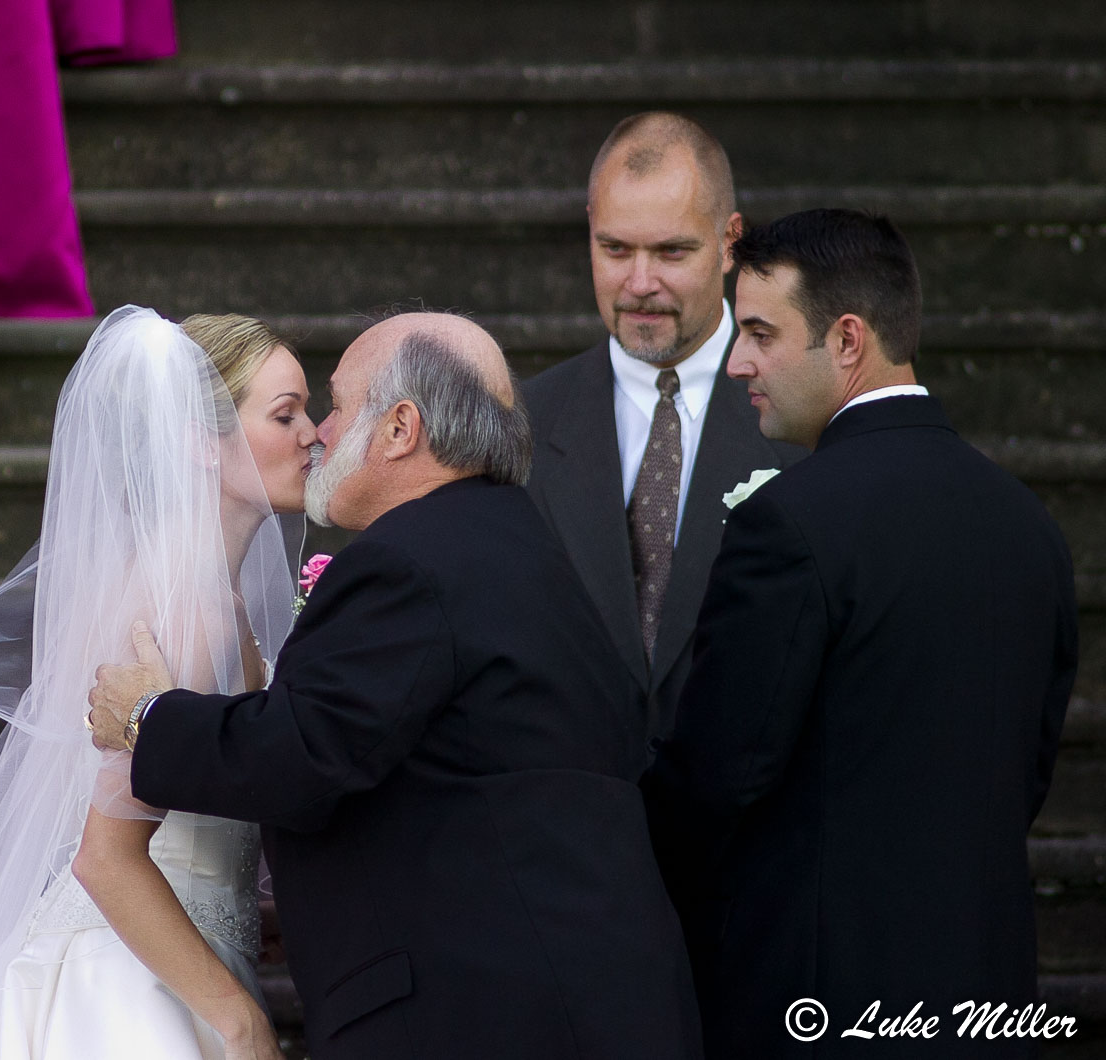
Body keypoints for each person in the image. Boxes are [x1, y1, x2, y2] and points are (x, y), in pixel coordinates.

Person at [88, 312, 703, 1060]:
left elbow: (302, 754)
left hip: (493, 1018)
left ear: (400, 429)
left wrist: (148, 717)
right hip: (579, 998)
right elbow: (440, 781)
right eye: (293, 413)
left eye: (337, 405)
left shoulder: (411, 562)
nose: (321, 432)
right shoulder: (515, 547)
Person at [645, 210, 1078, 1057]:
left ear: (848, 339)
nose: (736, 363)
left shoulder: (789, 524)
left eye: (760, 334)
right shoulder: (1029, 525)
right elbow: (1025, 773)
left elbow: (719, 778)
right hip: (986, 999)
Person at [0, 308, 317, 1059]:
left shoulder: (202, 594)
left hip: (165, 950)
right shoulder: (190, 611)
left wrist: (245, 911)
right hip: (130, 989)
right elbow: (105, 857)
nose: (314, 435)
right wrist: (240, 1021)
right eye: (286, 414)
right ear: (202, 442)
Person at [523, 111, 803, 749]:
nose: (640, 283)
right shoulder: (523, 424)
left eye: (672, 251)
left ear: (730, 243)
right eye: (615, 249)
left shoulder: (808, 423)